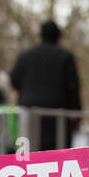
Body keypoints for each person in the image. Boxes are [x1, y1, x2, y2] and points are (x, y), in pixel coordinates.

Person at [10, 20, 81, 151]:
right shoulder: (65, 56)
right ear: (58, 37)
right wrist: (76, 116)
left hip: (29, 115)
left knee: (28, 155)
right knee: (57, 157)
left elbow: (14, 81)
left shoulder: (25, 56)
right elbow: (73, 88)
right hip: (57, 117)